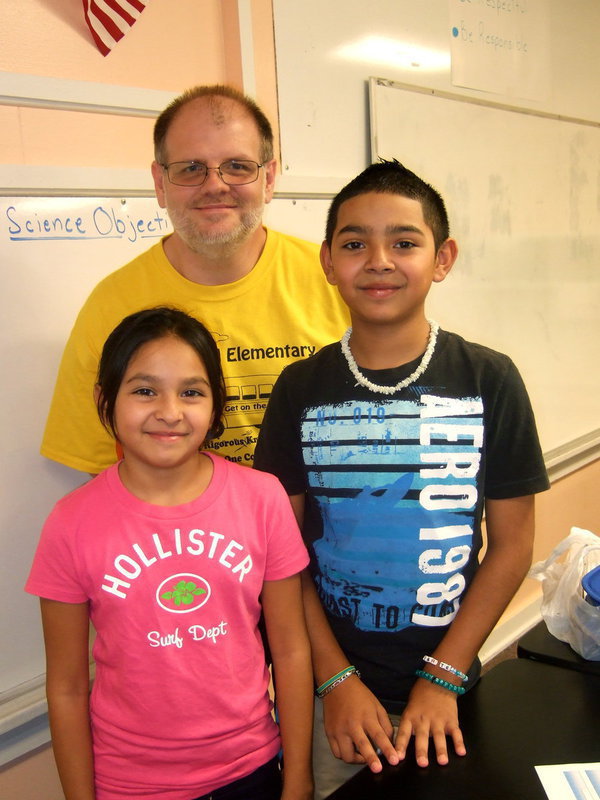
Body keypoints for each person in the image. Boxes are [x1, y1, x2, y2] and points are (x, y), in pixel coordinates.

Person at [253, 160, 550, 798]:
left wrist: (443, 677)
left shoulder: (488, 379)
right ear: (328, 262)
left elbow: (513, 545)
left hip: (448, 689)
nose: (379, 260)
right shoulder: (299, 389)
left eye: (404, 242)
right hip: (330, 695)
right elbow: (282, 558)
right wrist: (335, 681)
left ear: (442, 258)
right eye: (354, 243)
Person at [26, 307, 314, 800]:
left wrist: (299, 781)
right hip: (129, 783)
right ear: (105, 399)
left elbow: (289, 651)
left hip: (252, 769)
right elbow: (68, 688)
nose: (169, 411)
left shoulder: (262, 498)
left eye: (192, 392)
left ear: (215, 403)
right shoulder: (70, 522)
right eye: (144, 390)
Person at [41, 84, 348, 475]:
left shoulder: (337, 280)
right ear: (160, 182)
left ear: (269, 178)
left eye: (238, 166)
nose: (215, 185)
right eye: (191, 168)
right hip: (187, 537)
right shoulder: (113, 305)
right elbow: (100, 471)